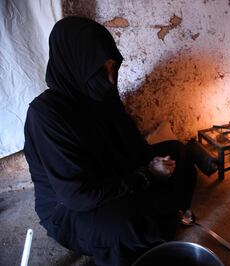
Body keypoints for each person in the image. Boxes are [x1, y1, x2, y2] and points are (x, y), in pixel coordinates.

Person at [24, 16, 196, 266]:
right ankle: (160, 219)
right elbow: (78, 196)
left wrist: (153, 162)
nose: (111, 80)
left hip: (114, 177)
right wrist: (146, 176)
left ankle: (163, 216)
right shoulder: (46, 116)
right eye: (101, 71)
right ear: (75, 66)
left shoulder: (102, 95)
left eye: (113, 68)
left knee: (178, 152)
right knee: (124, 224)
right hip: (71, 209)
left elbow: (132, 145)